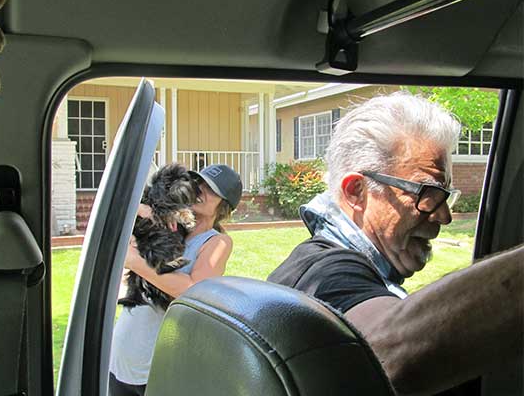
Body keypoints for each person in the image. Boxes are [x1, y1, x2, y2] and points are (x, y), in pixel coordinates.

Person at [268, 92, 523, 396]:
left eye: (446, 196)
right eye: (427, 192)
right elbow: (388, 354)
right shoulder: (325, 276)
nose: (444, 216)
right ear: (356, 191)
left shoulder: (322, 263)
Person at [109, 164, 243, 396]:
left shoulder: (216, 242)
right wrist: (140, 209)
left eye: (211, 189)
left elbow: (192, 291)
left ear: (224, 205)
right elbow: (112, 218)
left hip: (156, 366)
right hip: (121, 356)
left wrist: (136, 262)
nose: (199, 190)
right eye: (197, 183)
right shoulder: (167, 224)